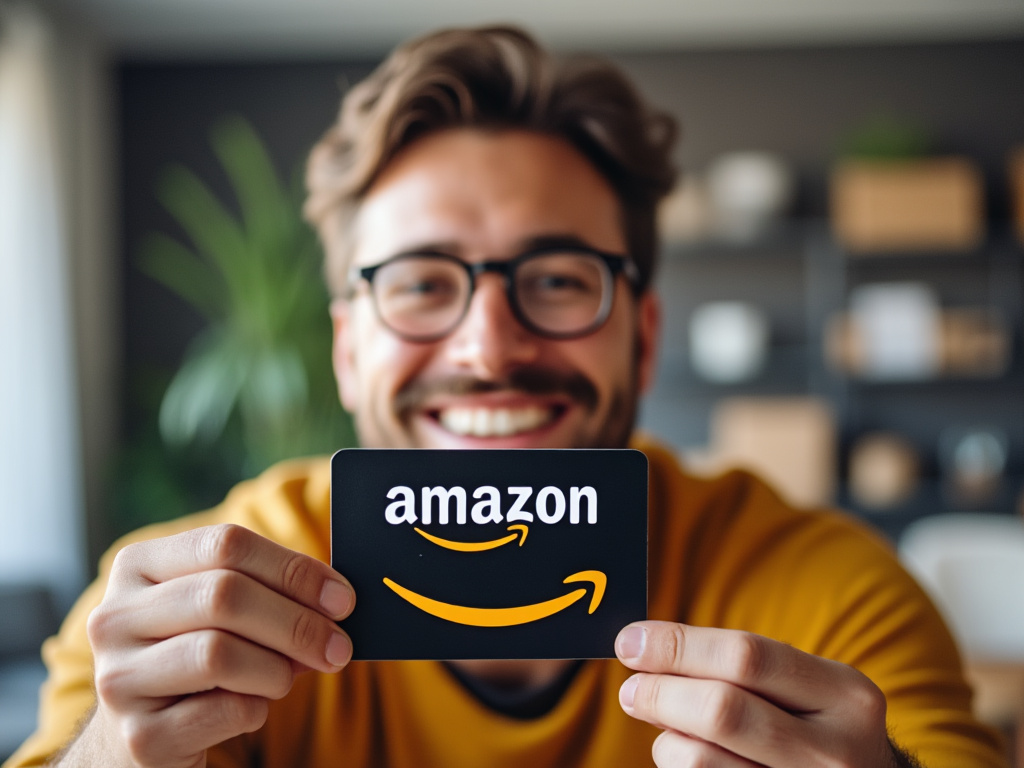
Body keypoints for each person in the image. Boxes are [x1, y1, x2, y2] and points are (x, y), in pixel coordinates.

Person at [5, 25, 1007, 768]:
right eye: (422, 284)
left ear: (643, 336)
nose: (488, 348)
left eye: (560, 279)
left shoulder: (827, 595)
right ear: (349, 350)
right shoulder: (190, 612)